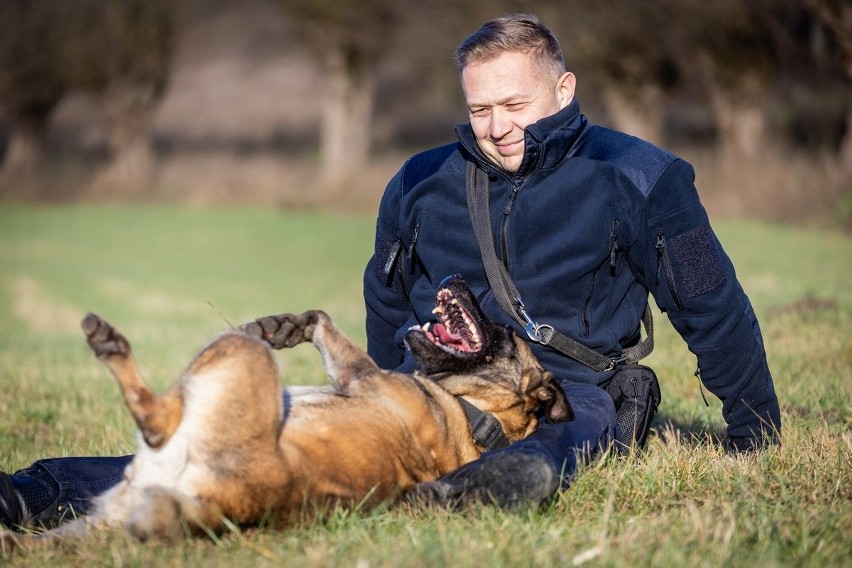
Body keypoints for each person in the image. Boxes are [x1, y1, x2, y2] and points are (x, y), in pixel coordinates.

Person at [1, 14, 781, 528]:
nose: (498, 126)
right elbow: (385, 302)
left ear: (564, 89)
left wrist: (755, 436)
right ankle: (35, 490)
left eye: (515, 104)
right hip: (427, 388)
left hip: (566, 386)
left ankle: (490, 486)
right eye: (481, 110)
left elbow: (713, 306)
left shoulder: (641, 176)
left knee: (571, 428)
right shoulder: (418, 181)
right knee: (257, 446)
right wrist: (370, 390)